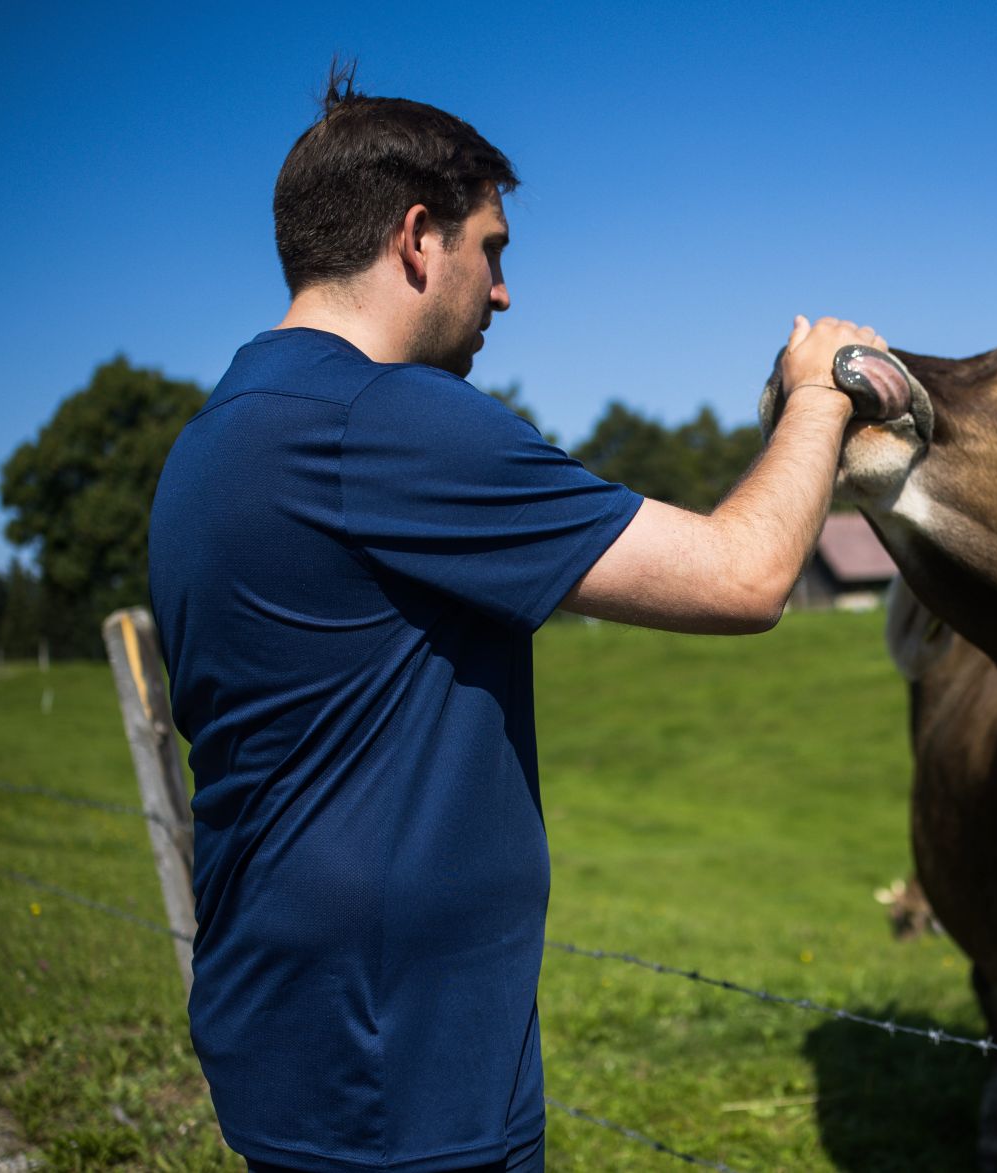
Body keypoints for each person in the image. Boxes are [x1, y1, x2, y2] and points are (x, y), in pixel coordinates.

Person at [148, 69, 902, 1173]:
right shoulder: (384, 420)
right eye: (491, 250)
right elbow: (745, 577)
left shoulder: (212, 441)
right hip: (401, 1070)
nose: (502, 295)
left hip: (289, 1035)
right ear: (417, 240)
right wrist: (817, 397)